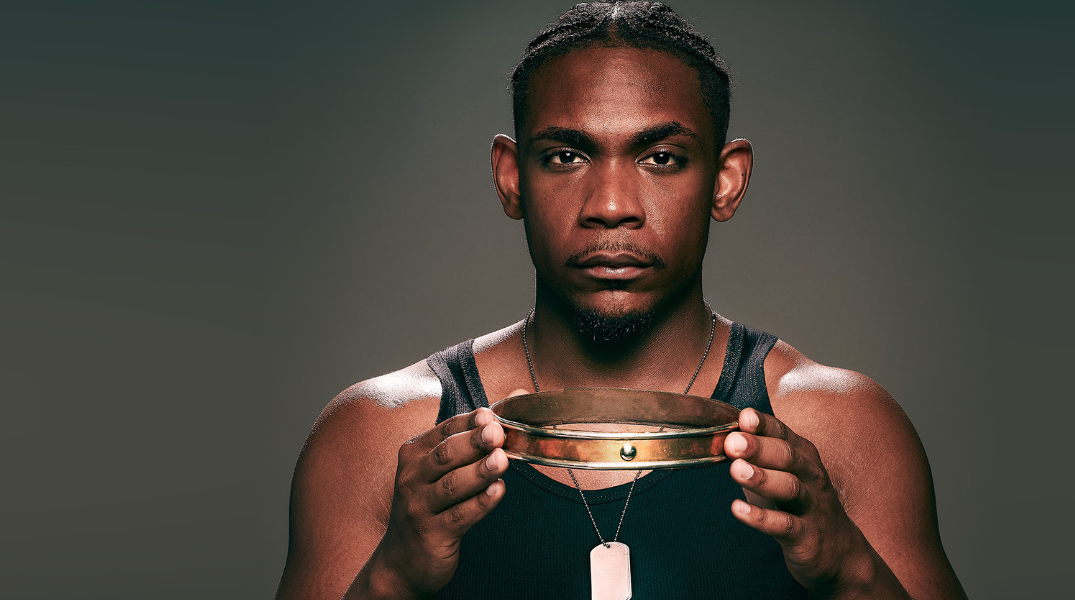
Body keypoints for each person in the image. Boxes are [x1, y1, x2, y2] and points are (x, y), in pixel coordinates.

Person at [275, 2, 967, 599]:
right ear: (511, 178)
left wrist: (850, 570)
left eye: (661, 158)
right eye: (566, 156)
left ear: (725, 181)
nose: (610, 206)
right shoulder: (378, 438)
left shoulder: (841, 430)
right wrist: (391, 579)